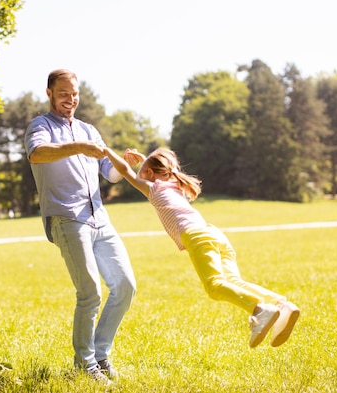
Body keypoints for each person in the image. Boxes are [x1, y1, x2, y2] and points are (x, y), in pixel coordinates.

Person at [103, 146, 300, 348]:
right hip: (215, 234)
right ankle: (281, 305)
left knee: (214, 286)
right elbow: (153, 171)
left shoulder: (154, 189)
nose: (138, 173)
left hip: (197, 236)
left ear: (151, 174)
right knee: (232, 281)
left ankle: (259, 310)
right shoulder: (174, 185)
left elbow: (126, 171)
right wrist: (146, 161)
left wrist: (107, 151)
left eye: (142, 170)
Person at [24, 69, 137, 382]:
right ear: (49, 93)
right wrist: (78, 147)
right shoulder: (41, 126)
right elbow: (37, 154)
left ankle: (101, 355)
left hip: (99, 218)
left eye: (74, 94)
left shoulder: (88, 129)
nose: (70, 100)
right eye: (63, 93)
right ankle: (85, 365)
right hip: (67, 217)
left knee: (126, 286)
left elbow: (108, 173)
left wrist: (121, 162)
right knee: (90, 292)